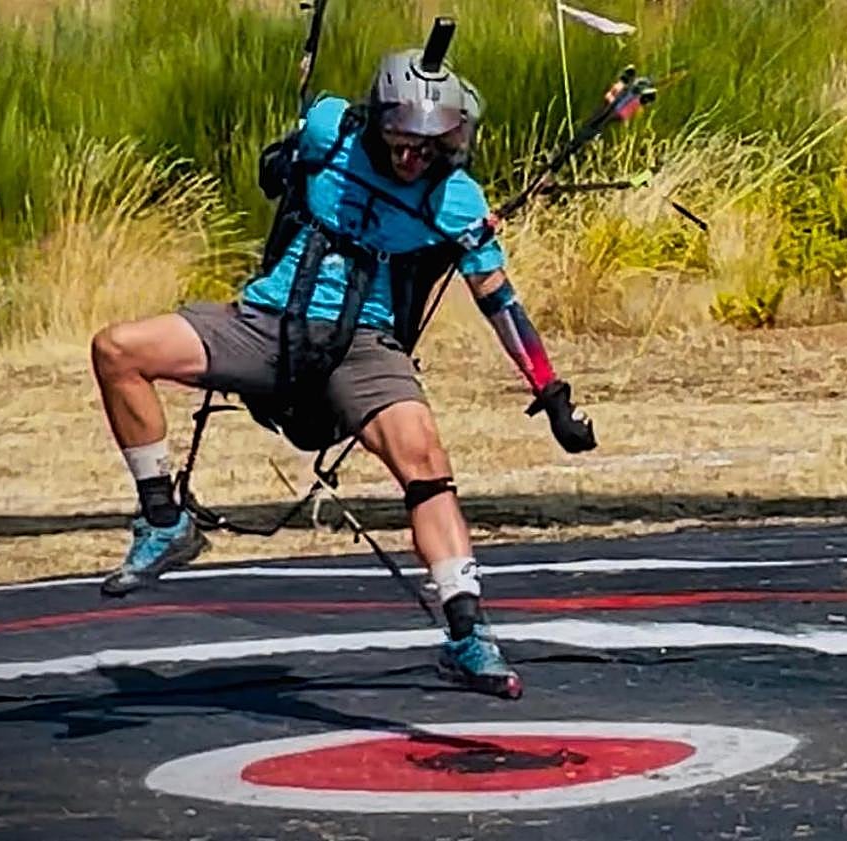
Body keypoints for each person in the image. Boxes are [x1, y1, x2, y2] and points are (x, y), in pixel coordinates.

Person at [88, 47, 597, 698]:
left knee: (425, 458)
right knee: (118, 349)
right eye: (402, 140)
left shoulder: (456, 199)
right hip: (269, 321)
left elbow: (500, 302)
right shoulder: (331, 128)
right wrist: (280, 159)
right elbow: (287, 158)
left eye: (431, 144)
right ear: (378, 120)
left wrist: (548, 390)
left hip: (365, 344)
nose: (414, 157)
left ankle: (467, 633)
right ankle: (164, 521)